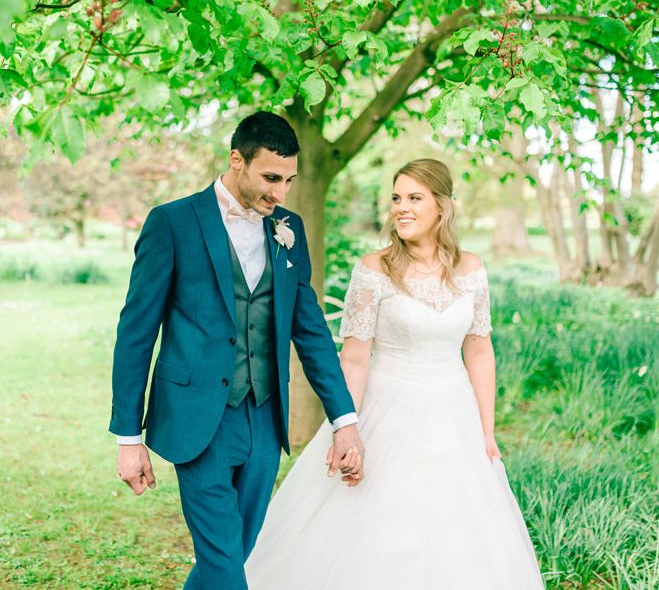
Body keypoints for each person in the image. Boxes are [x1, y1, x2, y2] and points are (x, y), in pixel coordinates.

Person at [245, 158, 544, 589]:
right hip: (386, 409)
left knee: (457, 530)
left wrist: (486, 429)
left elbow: (479, 349)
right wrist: (344, 425)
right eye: (396, 198)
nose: (401, 208)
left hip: (452, 415)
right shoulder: (374, 270)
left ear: (442, 206)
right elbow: (355, 358)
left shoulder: (472, 269)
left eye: (414, 198)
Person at [110, 111, 365, 590]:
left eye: (289, 180)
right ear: (236, 160)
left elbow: (308, 330)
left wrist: (344, 420)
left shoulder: (289, 227)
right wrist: (128, 436)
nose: (281, 193)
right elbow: (136, 332)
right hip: (196, 417)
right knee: (226, 561)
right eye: (271, 178)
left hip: (265, 419)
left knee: (234, 550)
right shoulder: (172, 223)